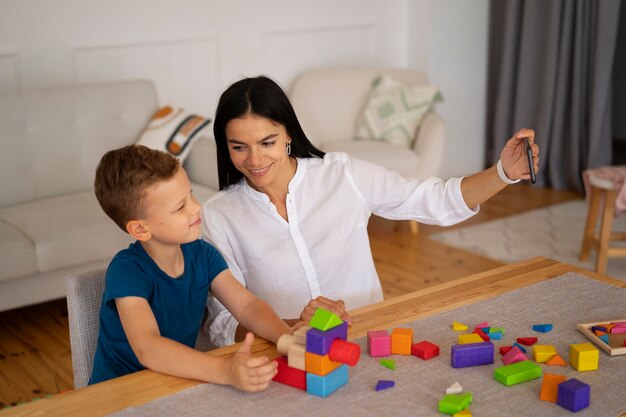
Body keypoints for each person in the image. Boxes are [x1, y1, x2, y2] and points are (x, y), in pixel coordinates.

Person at [201, 75, 539, 348]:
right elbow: (223, 325)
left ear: (288, 134)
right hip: (284, 354)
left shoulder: (342, 175)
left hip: (369, 341)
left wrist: (503, 173)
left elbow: (434, 200)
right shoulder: (219, 216)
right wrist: (294, 329)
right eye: (239, 147)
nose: (255, 160)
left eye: (267, 142)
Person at [90, 144, 295, 392]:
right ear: (141, 229)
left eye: (191, 194)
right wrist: (224, 370)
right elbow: (149, 347)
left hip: (174, 383)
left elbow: (247, 306)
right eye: (180, 207)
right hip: (119, 394)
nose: (197, 207)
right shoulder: (126, 270)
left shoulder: (203, 254)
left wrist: (286, 338)